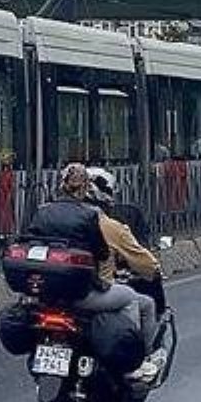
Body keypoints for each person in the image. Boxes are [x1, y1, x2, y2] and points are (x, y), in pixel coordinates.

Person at [25, 165, 160, 383]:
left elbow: (30, 243)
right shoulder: (92, 218)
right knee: (131, 299)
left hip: (48, 292)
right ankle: (131, 362)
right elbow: (101, 252)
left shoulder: (43, 212)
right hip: (83, 293)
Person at [85, 167, 167, 385]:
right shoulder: (106, 225)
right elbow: (146, 264)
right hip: (88, 292)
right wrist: (153, 270)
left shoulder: (50, 217)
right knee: (138, 301)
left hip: (52, 291)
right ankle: (134, 361)